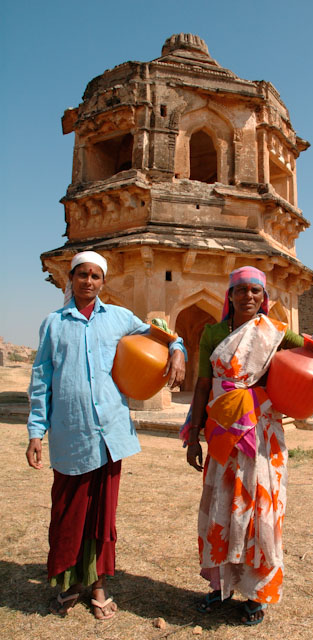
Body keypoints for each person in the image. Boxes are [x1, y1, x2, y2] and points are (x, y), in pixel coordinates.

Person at [26, 251, 186, 620]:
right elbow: (41, 379)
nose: (88, 281)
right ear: (72, 278)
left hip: (109, 432)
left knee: (102, 514)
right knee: (68, 510)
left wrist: (177, 351)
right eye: (82, 274)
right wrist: (36, 431)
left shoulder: (119, 318)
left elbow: (164, 334)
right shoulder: (53, 324)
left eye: (96, 276)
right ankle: (70, 582)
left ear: (103, 282)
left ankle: (98, 583)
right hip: (70, 432)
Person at [182, 266, 313, 626]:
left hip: (262, 434)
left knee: (260, 513)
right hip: (223, 431)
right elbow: (203, 387)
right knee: (221, 509)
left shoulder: (275, 333)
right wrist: (193, 435)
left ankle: (257, 594)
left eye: (255, 291)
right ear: (230, 295)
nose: (248, 297)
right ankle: (222, 585)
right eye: (241, 290)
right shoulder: (213, 333)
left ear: (263, 296)